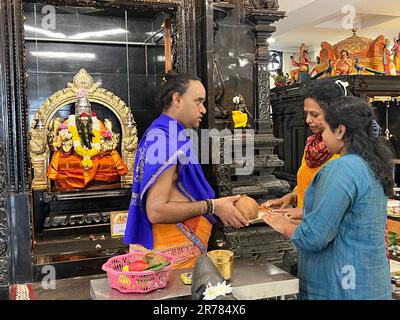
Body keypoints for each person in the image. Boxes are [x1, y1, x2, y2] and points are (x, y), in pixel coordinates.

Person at [264, 96, 393, 300]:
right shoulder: (371, 164)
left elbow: (314, 237)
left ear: (340, 130)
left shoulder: (341, 168)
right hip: (369, 281)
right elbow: (349, 219)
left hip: (342, 285)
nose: (322, 137)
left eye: (325, 130)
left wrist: (281, 224)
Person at [124, 70, 248, 269]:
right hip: (169, 257)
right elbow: (155, 211)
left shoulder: (167, 134)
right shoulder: (165, 140)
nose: (204, 110)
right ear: (177, 99)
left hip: (173, 251)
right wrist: (211, 206)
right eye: (198, 101)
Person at [261, 78, 346, 223]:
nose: (307, 120)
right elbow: (305, 184)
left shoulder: (344, 155)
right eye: (306, 113)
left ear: (334, 114)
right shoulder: (313, 145)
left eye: (314, 114)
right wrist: (292, 197)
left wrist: (302, 214)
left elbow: (337, 210)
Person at [47, 89, 128, 190]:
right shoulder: (69, 122)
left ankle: (106, 184)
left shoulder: (97, 122)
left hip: (97, 152)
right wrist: (67, 139)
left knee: (112, 159)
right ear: (76, 109)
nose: (83, 112)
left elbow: (105, 137)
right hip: (73, 153)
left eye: (85, 108)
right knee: (62, 161)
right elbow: (60, 141)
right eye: (81, 108)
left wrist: (104, 142)